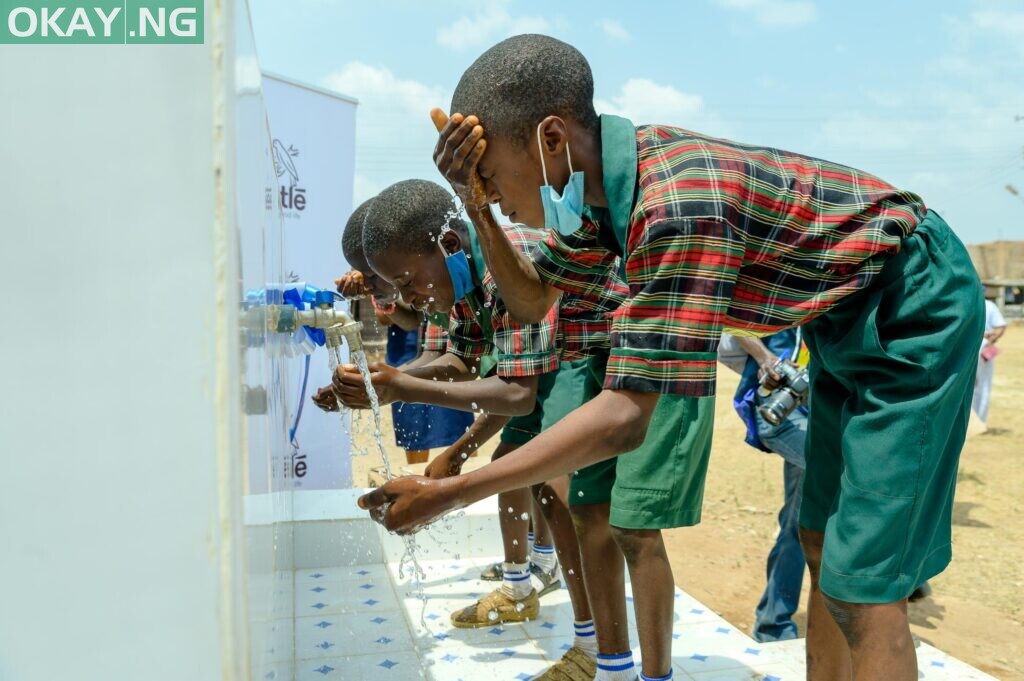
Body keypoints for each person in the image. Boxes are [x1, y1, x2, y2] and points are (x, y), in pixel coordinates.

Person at [360, 34, 985, 681]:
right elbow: (530, 299)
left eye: (492, 175)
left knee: (865, 584)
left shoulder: (674, 199)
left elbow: (627, 414)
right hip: (840, 323)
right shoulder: (601, 200)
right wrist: (475, 203)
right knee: (823, 542)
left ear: (551, 140)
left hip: (911, 304)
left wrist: (453, 489)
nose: (498, 194)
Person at [333, 179, 627, 680]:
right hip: (551, 362)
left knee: (563, 496)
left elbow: (517, 393)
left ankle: (596, 650)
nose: (402, 297)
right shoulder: (459, 276)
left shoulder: (506, 266)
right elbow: (464, 363)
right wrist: (388, 383)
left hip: (598, 355)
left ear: (445, 245)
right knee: (510, 470)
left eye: (400, 281)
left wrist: (401, 387)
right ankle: (521, 589)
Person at [722, 331, 808, 643]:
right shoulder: (792, 285)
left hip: (819, 412)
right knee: (842, 469)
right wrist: (764, 357)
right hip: (779, 411)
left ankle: (773, 623)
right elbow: (738, 320)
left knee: (798, 522)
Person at [972, 293, 1007, 424]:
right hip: (982, 344)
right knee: (982, 384)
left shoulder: (965, 304)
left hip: (966, 346)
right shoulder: (989, 305)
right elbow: (1000, 327)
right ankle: (979, 420)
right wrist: (991, 340)